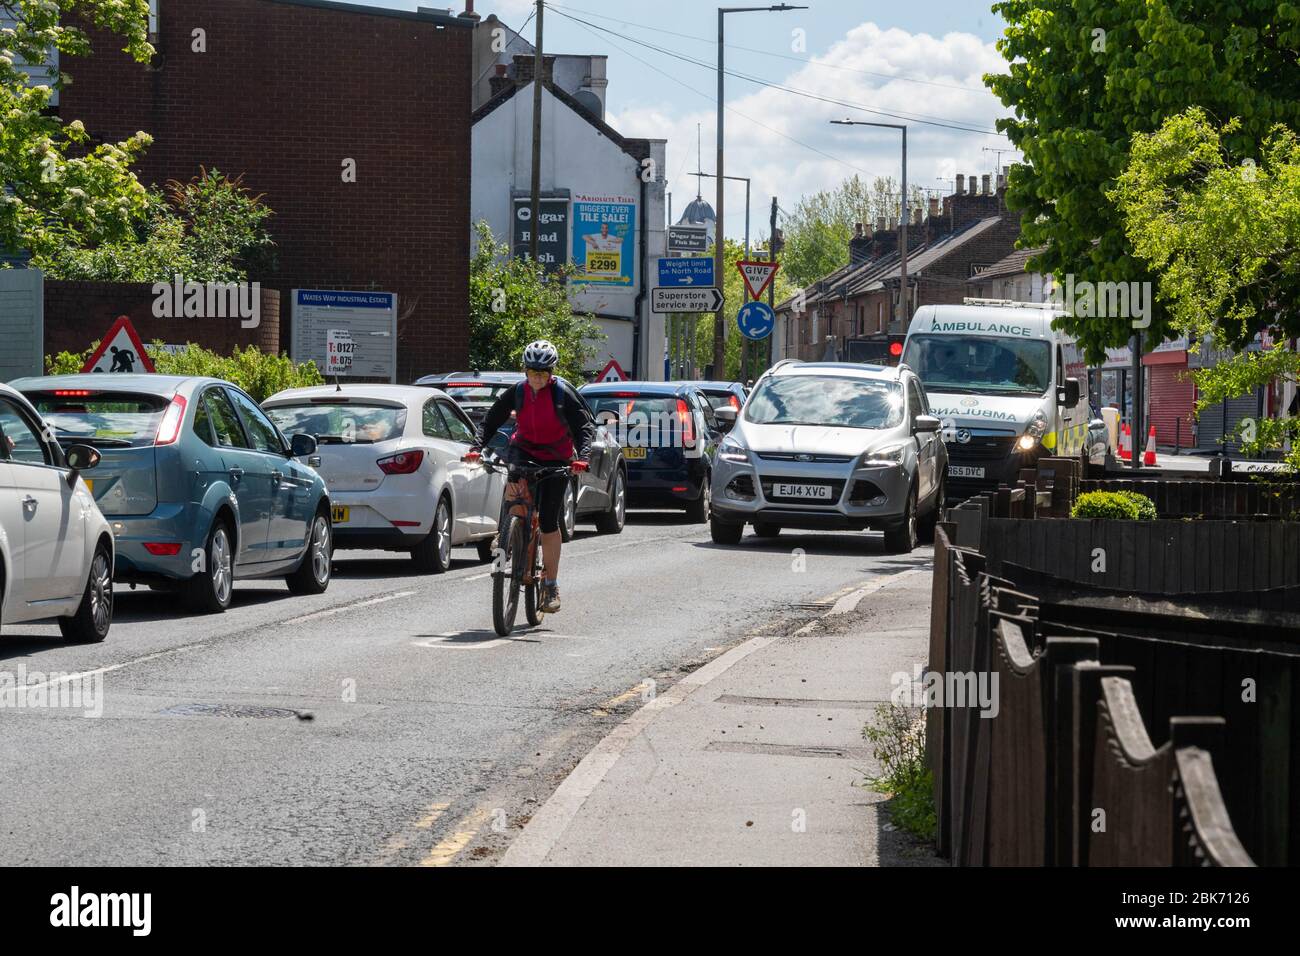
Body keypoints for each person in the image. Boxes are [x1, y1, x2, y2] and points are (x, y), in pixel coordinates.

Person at [471, 341, 594, 614]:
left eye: (543, 373)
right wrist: (476, 447)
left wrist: (582, 457)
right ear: (525, 371)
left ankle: (550, 584)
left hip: (557, 457)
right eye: (533, 372)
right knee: (514, 497)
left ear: (551, 373)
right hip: (523, 450)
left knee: (549, 521)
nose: (538, 378)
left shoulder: (562, 393)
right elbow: (490, 420)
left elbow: (584, 426)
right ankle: (506, 534)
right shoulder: (517, 392)